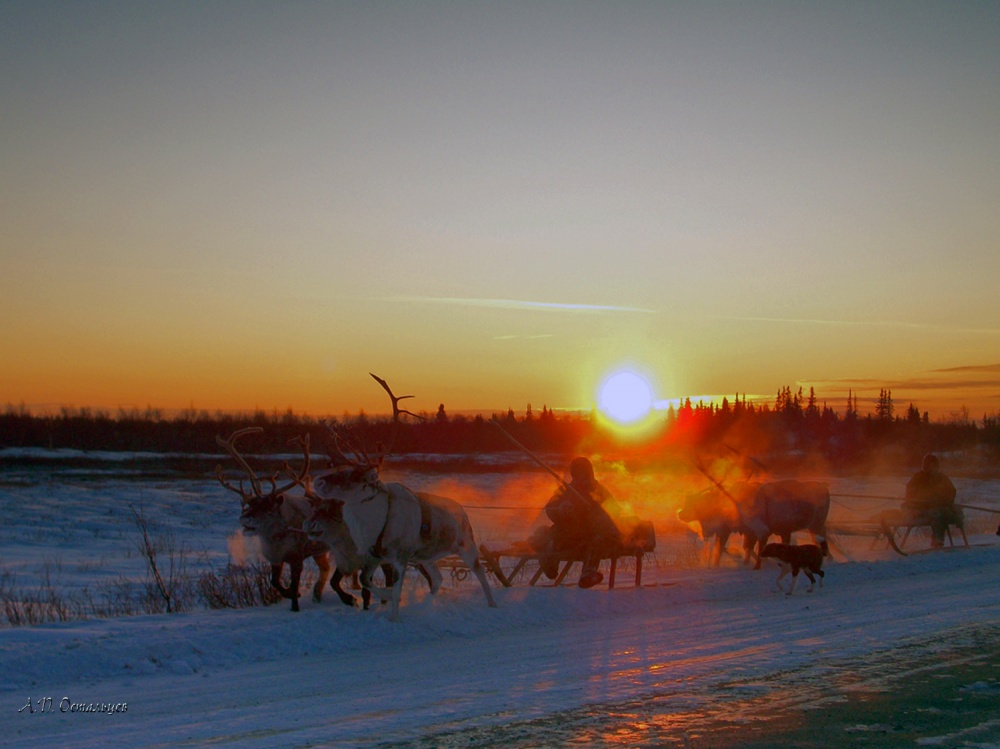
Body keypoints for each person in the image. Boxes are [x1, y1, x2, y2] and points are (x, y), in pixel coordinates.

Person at [533, 457, 623, 589]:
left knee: (597, 541)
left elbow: (614, 511)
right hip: (569, 532)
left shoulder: (599, 490)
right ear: (573, 473)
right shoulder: (565, 490)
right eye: (577, 472)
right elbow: (551, 507)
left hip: (590, 533)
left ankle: (588, 573)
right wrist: (560, 510)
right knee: (545, 534)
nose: (580, 475)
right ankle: (550, 565)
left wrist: (595, 510)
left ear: (589, 472)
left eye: (583, 472)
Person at [902, 453, 960, 548]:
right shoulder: (918, 478)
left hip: (939, 507)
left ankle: (938, 538)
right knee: (936, 514)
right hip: (921, 509)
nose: (933, 468)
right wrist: (922, 500)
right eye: (930, 465)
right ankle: (938, 539)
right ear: (926, 466)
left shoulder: (942, 478)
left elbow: (951, 492)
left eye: (935, 465)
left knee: (944, 513)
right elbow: (910, 494)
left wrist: (945, 501)